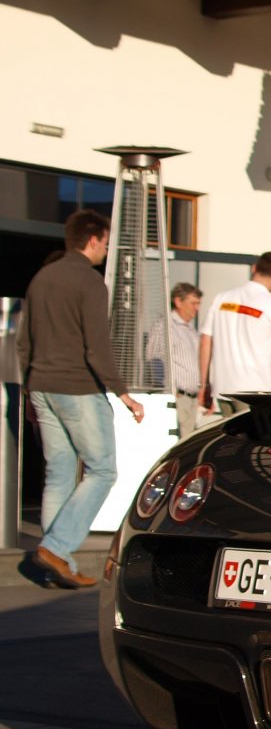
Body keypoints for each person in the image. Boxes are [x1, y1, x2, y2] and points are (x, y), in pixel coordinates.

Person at [17, 210, 144, 589]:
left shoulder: (41, 278)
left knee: (59, 472)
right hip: (77, 387)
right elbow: (97, 348)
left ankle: (57, 561)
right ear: (92, 240)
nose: (106, 249)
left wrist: (29, 389)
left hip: (41, 385)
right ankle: (56, 548)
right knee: (103, 470)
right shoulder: (89, 281)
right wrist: (124, 394)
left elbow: (25, 342)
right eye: (105, 242)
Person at [198, 251, 271, 413]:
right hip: (254, 392)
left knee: (232, 437)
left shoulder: (222, 299)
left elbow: (205, 342)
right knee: (256, 437)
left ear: (254, 268)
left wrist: (204, 384)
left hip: (223, 388)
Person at [145, 283, 203, 438]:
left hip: (192, 399)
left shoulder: (190, 330)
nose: (196, 308)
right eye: (193, 303)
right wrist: (167, 390)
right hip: (177, 397)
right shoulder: (165, 326)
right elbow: (154, 358)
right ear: (178, 302)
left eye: (198, 304)